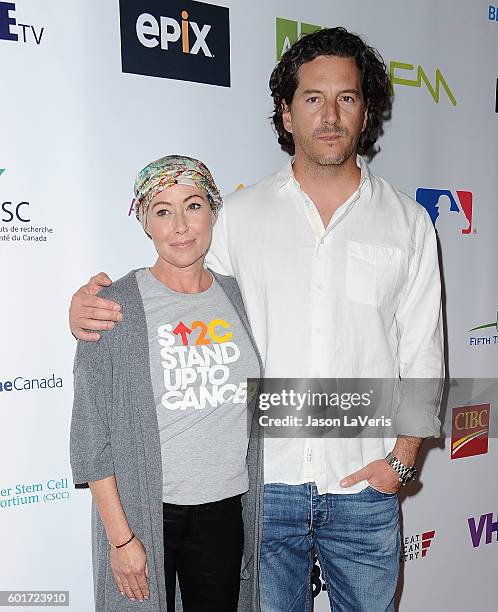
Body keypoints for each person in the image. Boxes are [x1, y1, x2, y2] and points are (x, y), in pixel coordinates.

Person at [70, 28, 444, 612]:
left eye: (345, 97)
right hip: (265, 489)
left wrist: (402, 462)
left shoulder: (409, 223)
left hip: (366, 485)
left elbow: (423, 353)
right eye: (311, 97)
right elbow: (178, 283)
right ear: (286, 112)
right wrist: (94, 306)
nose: (329, 114)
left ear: (366, 110)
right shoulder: (238, 217)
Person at [70, 155, 263, 612]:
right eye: (162, 210)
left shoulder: (241, 296)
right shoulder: (114, 305)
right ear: (145, 223)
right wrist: (121, 540)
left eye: (193, 205)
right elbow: (90, 436)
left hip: (224, 508)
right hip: (145, 513)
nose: (180, 225)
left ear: (213, 211)